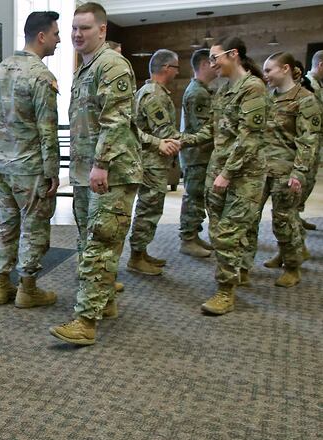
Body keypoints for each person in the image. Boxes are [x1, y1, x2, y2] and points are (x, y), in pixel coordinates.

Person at [49, 2, 144, 346]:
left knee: (100, 244)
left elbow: (116, 121)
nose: (77, 34)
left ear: (102, 30)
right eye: (74, 28)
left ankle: (85, 322)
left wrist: (101, 163)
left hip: (111, 172)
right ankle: (106, 303)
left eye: (85, 28)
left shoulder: (112, 66)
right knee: (89, 240)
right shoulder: (85, 69)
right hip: (87, 172)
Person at [180, 36, 268, 315]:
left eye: (216, 58)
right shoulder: (223, 90)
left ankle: (225, 291)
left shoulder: (252, 88)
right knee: (219, 231)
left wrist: (227, 174)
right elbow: (215, 130)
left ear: (233, 55)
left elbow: (249, 140)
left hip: (243, 175)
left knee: (228, 233)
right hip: (217, 170)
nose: (212, 63)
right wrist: (184, 140)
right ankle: (236, 271)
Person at [0, 11, 60, 308]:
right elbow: (47, 128)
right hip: (30, 168)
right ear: (41, 36)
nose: (59, 40)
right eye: (55, 34)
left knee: (6, 225)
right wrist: (53, 170)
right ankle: (27, 288)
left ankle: (1, 286)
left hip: (2, 166)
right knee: (35, 226)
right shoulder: (41, 76)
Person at [246, 52, 321, 287]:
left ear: (286, 69)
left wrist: (299, 173)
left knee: (283, 220)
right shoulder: (269, 98)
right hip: (261, 170)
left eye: (269, 70)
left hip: (287, 172)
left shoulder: (306, 100)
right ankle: (243, 266)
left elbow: (308, 141)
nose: (265, 75)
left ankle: (292, 265)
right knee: (249, 217)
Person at [127, 49, 183, 276]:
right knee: (148, 209)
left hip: (152, 160)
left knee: (150, 208)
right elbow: (165, 132)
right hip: (152, 162)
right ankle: (136, 256)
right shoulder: (155, 95)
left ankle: (141, 252)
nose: (178, 73)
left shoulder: (149, 91)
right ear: (166, 68)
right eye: (177, 68)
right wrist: (195, 138)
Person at [179, 48, 218, 258]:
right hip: (197, 154)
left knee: (197, 197)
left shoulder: (202, 90)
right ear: (204, 64)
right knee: (193, 198)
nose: (216, 66)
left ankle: (193, 235)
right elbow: (200, 128)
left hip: (200, 154)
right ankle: (188, 239)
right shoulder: (198, 93)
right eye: (213, 62)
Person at [299, 50, 323, 231]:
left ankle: (296, 215)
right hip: (306, 142)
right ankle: (291, 217)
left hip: (315, 142)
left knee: (309, 181)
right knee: (302, 181)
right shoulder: (306, 85)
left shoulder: (319, 86)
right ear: (321, 65)